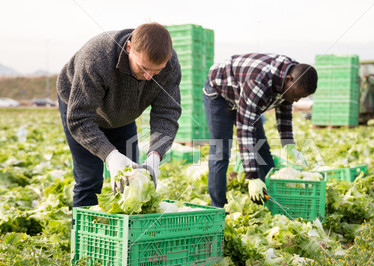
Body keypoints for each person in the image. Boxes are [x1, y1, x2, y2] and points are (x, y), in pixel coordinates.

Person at [57, 22, 181, 209]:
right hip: (81, 111)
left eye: (157, 71)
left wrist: (155, 154)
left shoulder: (170, 66)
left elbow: (167, 113)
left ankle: (126, 235)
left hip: (123, 115)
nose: (149, 77)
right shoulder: (97, 58)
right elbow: (79, 119)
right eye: (144, 68)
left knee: (131, 179)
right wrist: (110, 156)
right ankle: (83, 235)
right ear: (129, 47)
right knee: (89, 179)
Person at [203, 53, 318, 207]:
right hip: (219, 92)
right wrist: (251, 176)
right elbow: (245, 128)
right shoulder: (259, 82)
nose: (297, 100)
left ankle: (272, 200)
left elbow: (284, 112)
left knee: (261, 148)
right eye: (296, 96)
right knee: (220, 151)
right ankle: (217, 207)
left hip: (245, 94)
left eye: (300, 98)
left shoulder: (293, 78)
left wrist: (288, 144)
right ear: (288, 80)